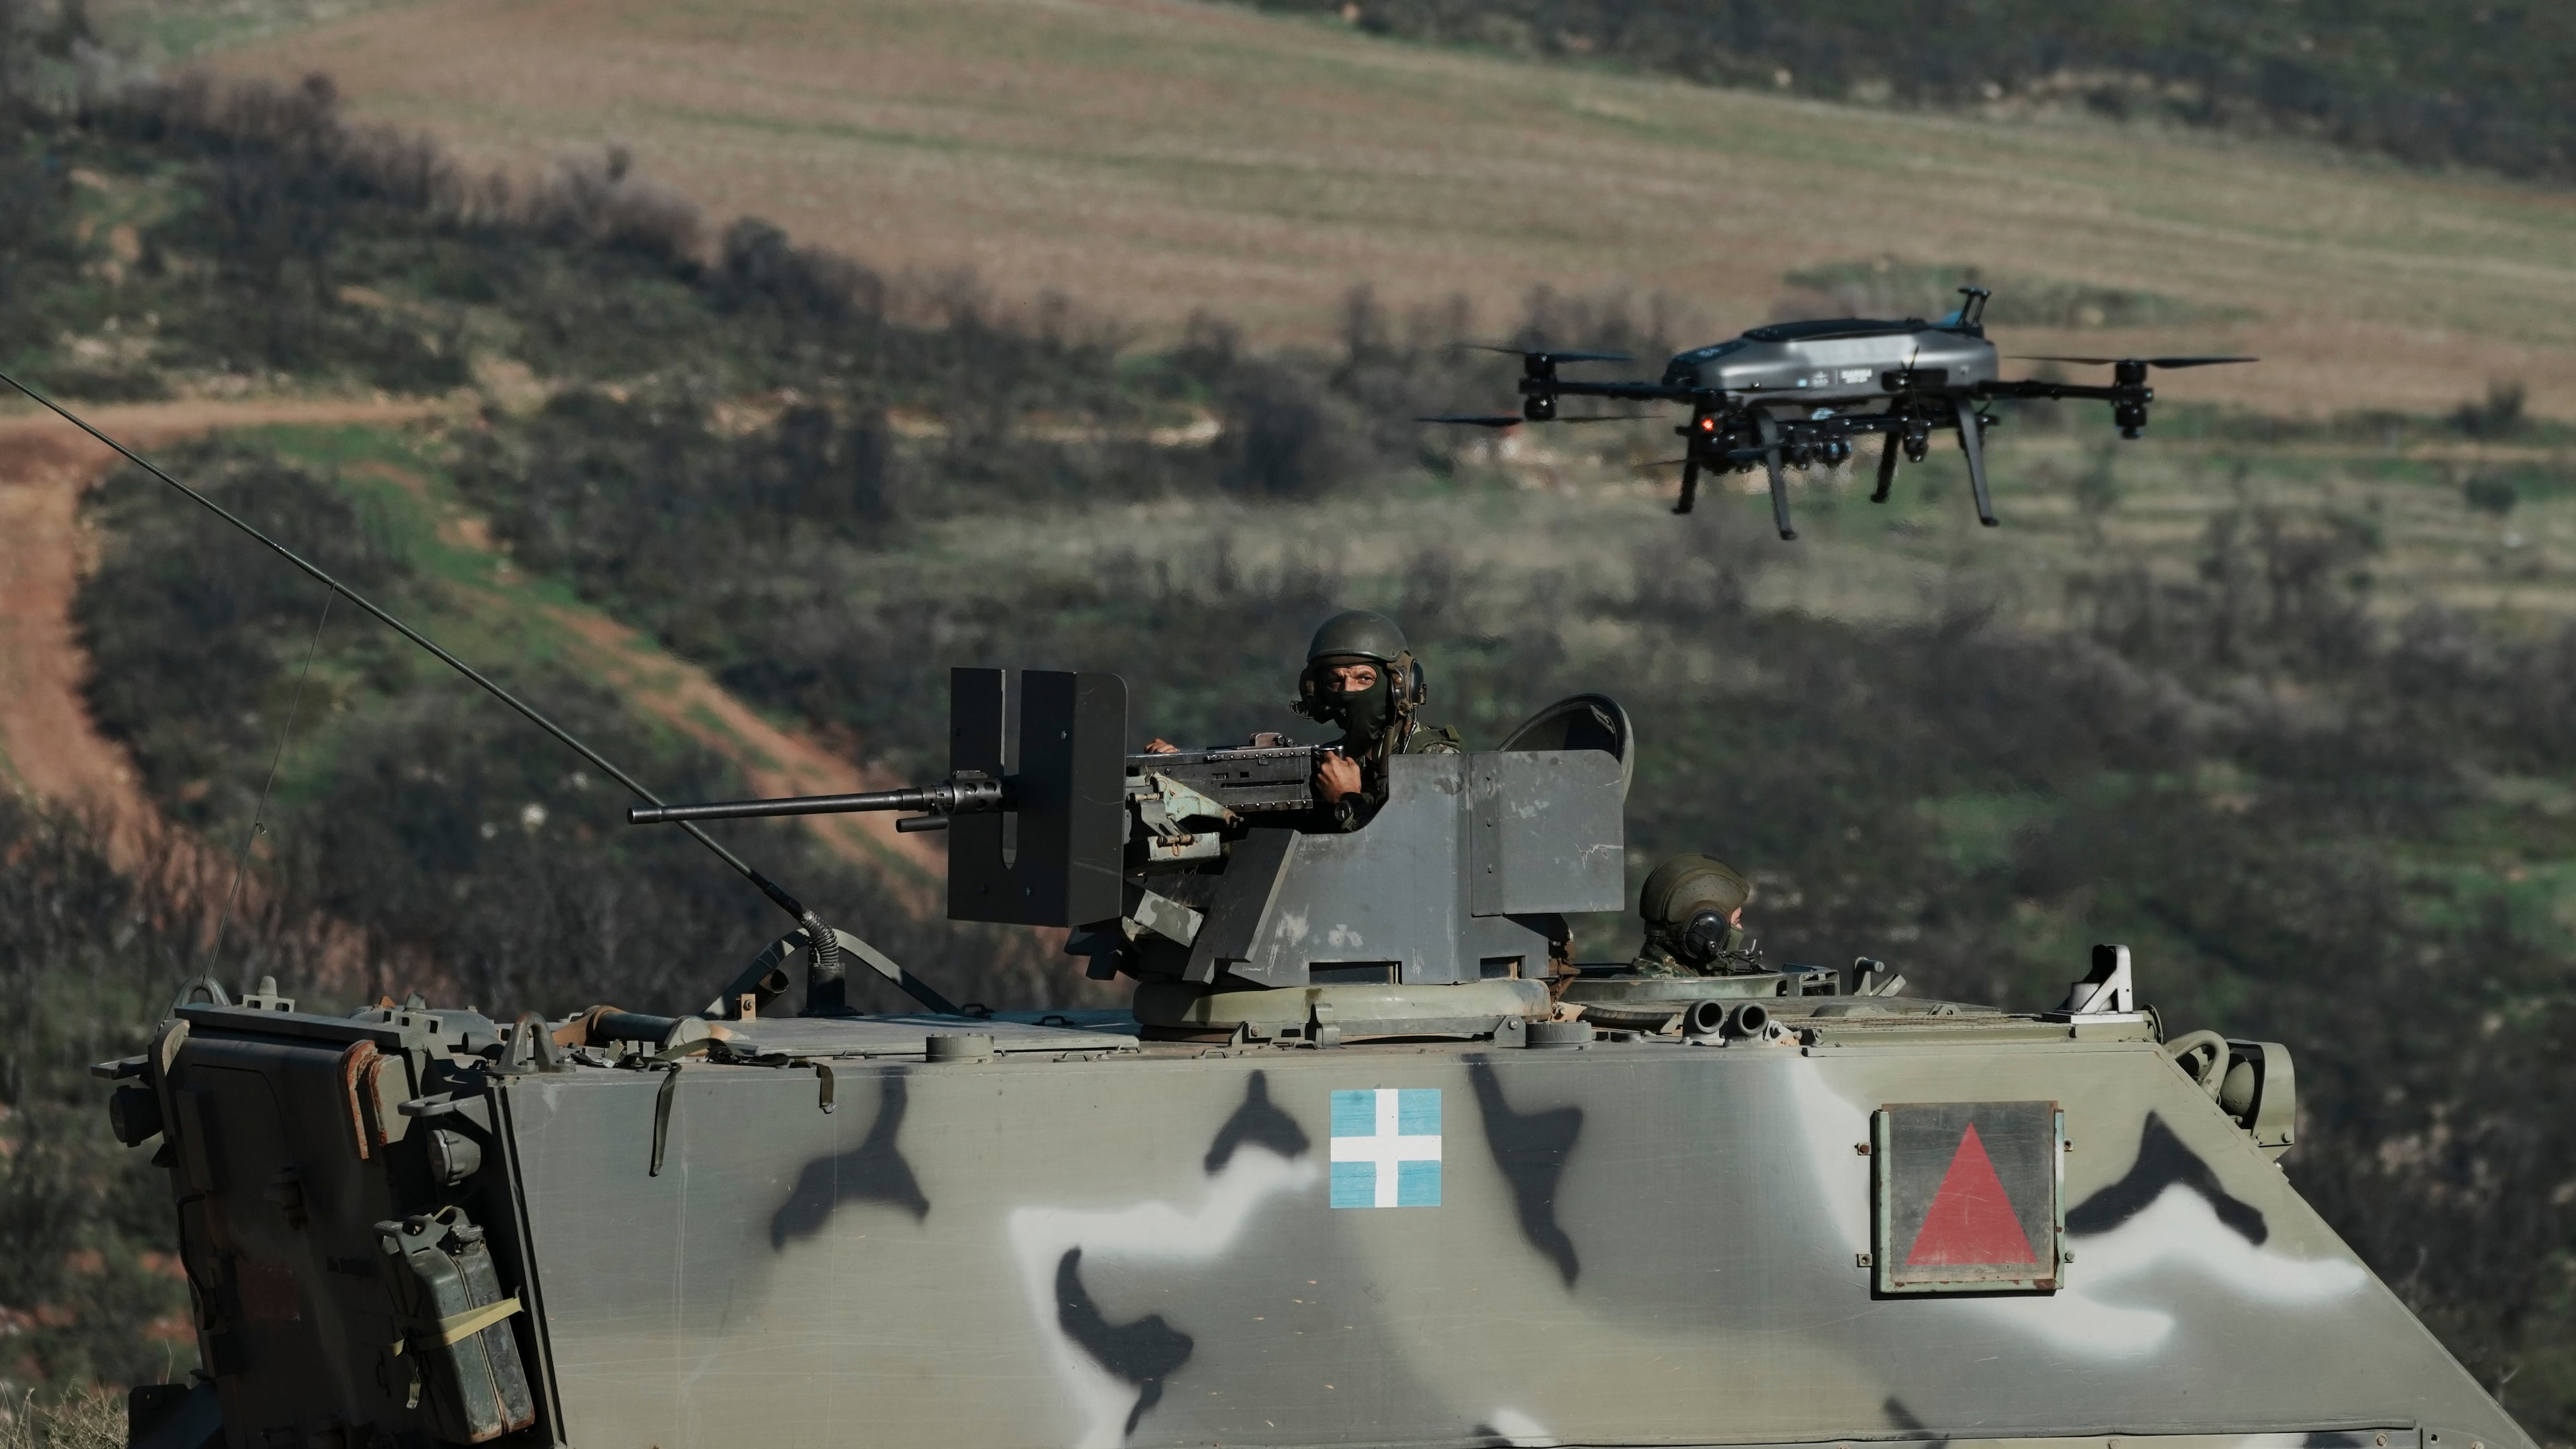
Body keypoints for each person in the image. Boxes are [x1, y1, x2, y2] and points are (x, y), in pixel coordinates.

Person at [1144, 608, 1458, 832]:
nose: (1348, 691)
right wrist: (1184, 778)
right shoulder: (1326, 764)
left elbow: (1416, 855)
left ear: (1401, 686)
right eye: (1336, 681)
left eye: (1364, 678)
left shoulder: (1434, 760)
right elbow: (1254, 830)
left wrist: (1346, 800)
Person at [1629, 853, 1762, 976]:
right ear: (1706, 932)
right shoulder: (1681, 992)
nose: (1741, 928)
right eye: (1737, 921)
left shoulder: (1640, 979)